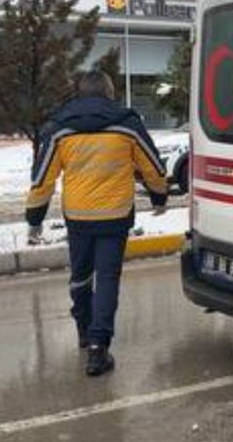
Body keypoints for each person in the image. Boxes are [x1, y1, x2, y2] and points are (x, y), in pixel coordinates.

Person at [25, 71, 169, 377]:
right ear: (109, 92)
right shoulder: (127, 124)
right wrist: (159, 196)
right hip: (115, 217)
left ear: (79, 93)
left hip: (78, 217)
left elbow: (42, 178)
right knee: (107, 278)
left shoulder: (60, 127)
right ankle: (98, 347)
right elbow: (153, 166)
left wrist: (35, 218)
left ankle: (83, 329)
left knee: (80, 276)